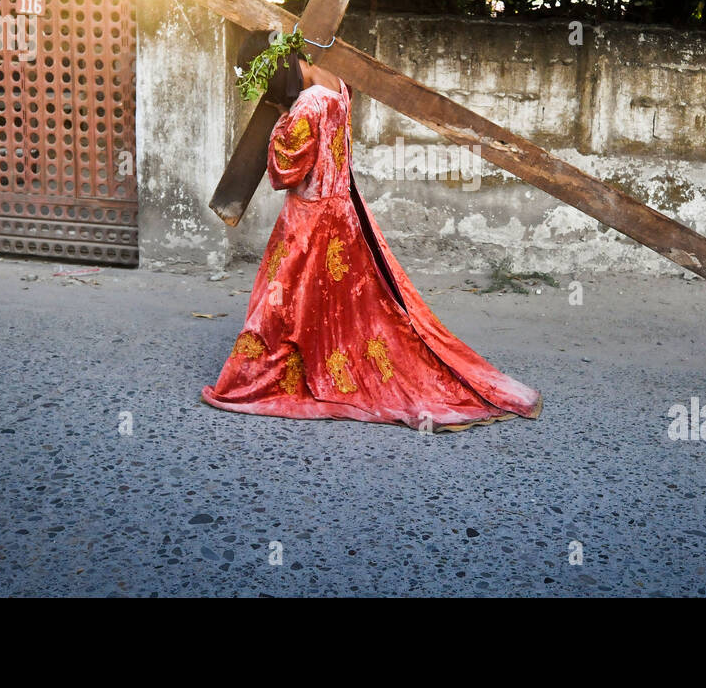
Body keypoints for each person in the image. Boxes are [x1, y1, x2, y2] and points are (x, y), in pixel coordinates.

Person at [201, 35, 542, 432]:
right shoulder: (334, 83)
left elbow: (285, 171)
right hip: (344, 210)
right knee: (343, 305)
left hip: (310, 219)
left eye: (265, 80)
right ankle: (327, 360)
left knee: (279, 303)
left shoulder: (307, 104)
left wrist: (280, 117)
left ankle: (253, 380)